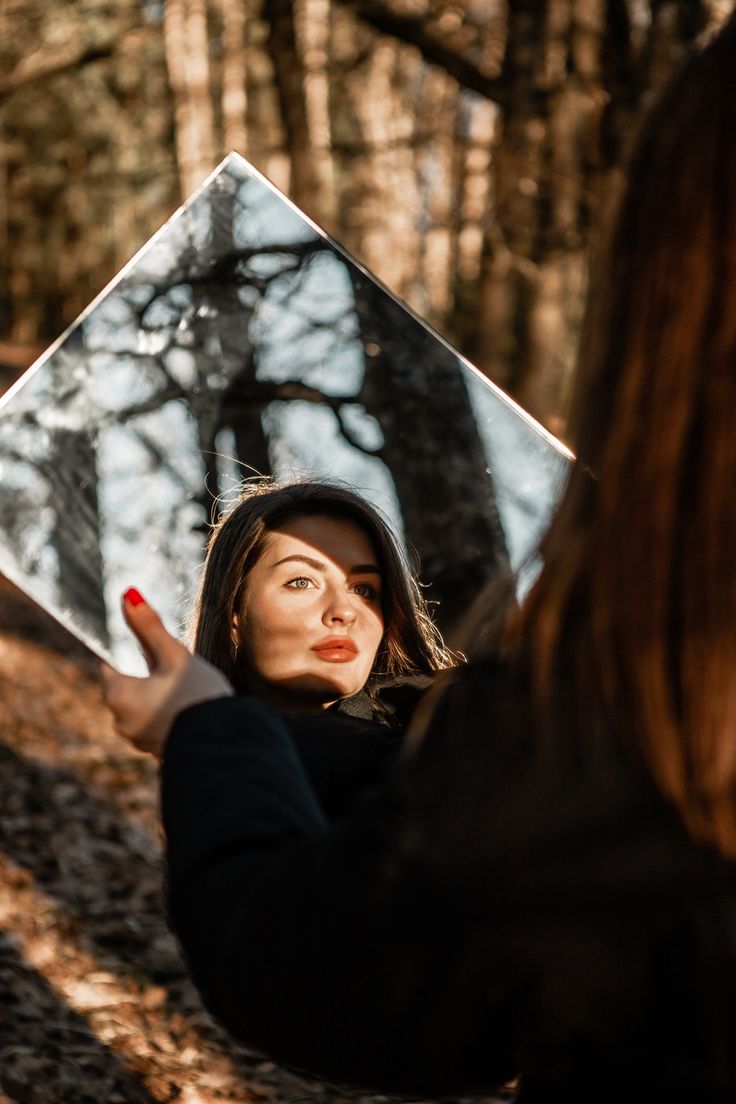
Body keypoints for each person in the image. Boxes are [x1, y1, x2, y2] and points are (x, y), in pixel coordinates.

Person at [103, 19, 736, 1102]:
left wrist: (210, 732)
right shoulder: (554, 742)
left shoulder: (624, 731)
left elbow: (318, 966)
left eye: (362, 584)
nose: (339, 606)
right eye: (297, 577)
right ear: (231, 614)